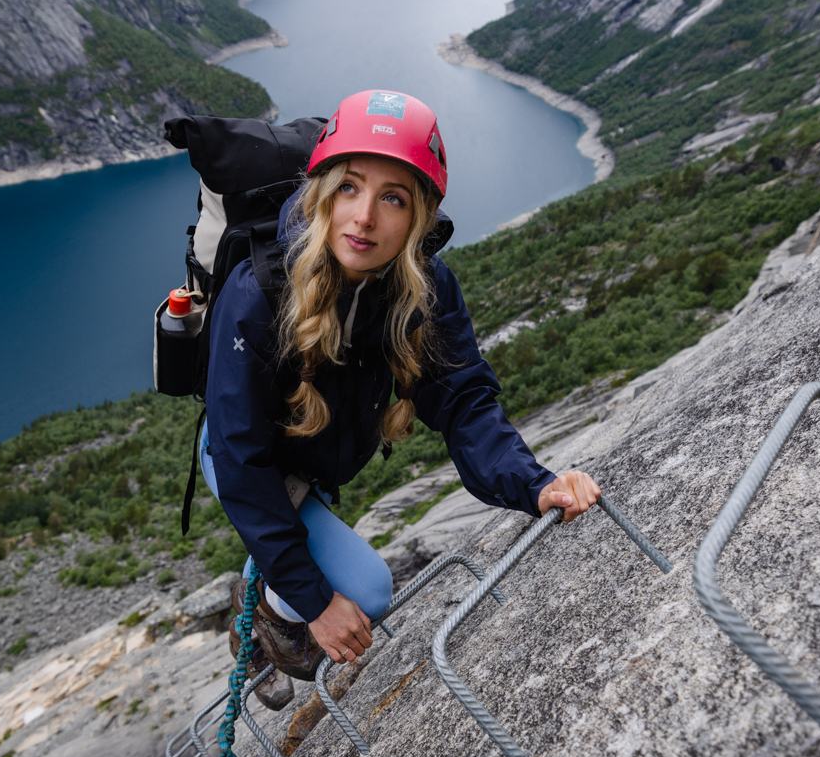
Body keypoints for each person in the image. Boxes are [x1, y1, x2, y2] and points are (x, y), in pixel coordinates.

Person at [200, 89, 601, 710]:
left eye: (393, 198)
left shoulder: (423, 289)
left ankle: (270, 582)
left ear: (419, 216)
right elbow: (239, 456)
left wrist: (534, 484)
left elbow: (463, 399)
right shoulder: (260, 294)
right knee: (367, 592)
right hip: (244, 455)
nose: (363, 217)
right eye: (350, 188)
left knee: (333, 581)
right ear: (323, 191)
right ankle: (265, 614)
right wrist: (314, 602)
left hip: (316, 452)